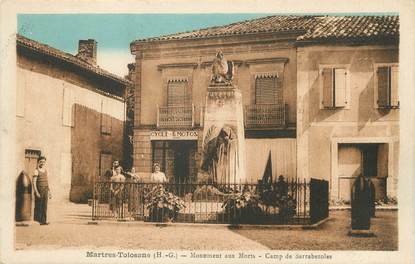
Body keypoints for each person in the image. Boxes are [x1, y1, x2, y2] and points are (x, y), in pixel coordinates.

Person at [32, 156, 51, 225]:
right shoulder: (36, 171)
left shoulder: (46, 171)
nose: (42, 163)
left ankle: (43, 221)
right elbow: (34, 182)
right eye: (41, 162)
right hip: (39, 190)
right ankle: (37, 221)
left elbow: (47, 182)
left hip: (45, 190)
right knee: (38, 206)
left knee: (44, 206)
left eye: (43, 162)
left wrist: (49, 192)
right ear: (38, 162)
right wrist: (36, 192)